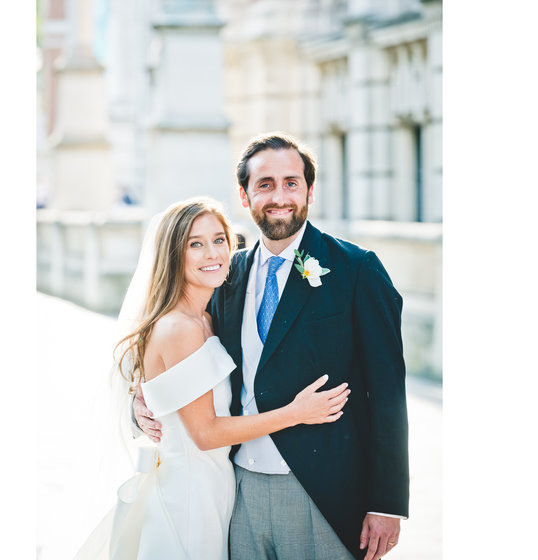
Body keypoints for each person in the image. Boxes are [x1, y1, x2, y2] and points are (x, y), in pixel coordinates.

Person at [134, 132, 409, 560]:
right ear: (244, 197)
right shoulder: (227, 275)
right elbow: (175, 350)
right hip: (236, 493)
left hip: (322, 494)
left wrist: (386, 502)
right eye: (265, 184)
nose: (279, 196)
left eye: (290, 183)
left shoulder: (357, 269)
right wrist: (144, 399)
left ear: (309, 191)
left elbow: (388, 391)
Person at [76, 197, 351, 560]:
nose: (213, 254)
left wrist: (140, 402)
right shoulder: (179, 328)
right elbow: (205, 434)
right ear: (174, 254)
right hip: (188, 496)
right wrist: (296, 412)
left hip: (216, 488)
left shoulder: (206, 318)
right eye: (195, 244)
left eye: (219, 240)